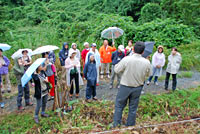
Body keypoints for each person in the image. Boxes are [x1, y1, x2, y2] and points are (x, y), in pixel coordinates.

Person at [113, 41, 151, 127]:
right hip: (138, 87)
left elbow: (116, 70)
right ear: (143, 51)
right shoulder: (146, 62)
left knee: (119, 106)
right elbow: (149, 74)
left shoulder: (127, 59)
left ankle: (116, 125)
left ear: (133, 49)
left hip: (125, 86)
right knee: (133, 108)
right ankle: (130, 125)